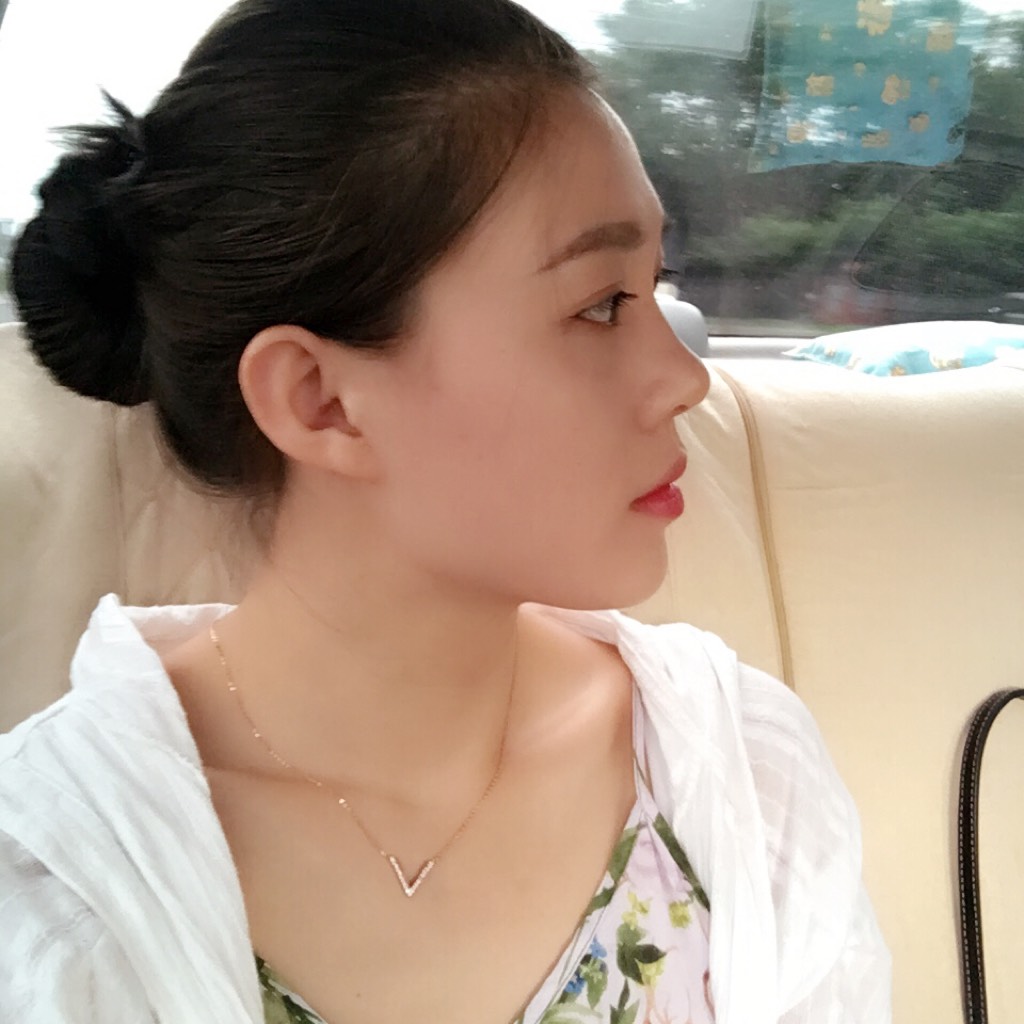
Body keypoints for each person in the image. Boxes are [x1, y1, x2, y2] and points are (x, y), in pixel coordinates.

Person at [0, 1, 891, 1022]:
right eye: (600, 304)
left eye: (659, 287)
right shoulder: (49, 898)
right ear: (321, 401)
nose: (684, 380)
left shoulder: (741, 777)